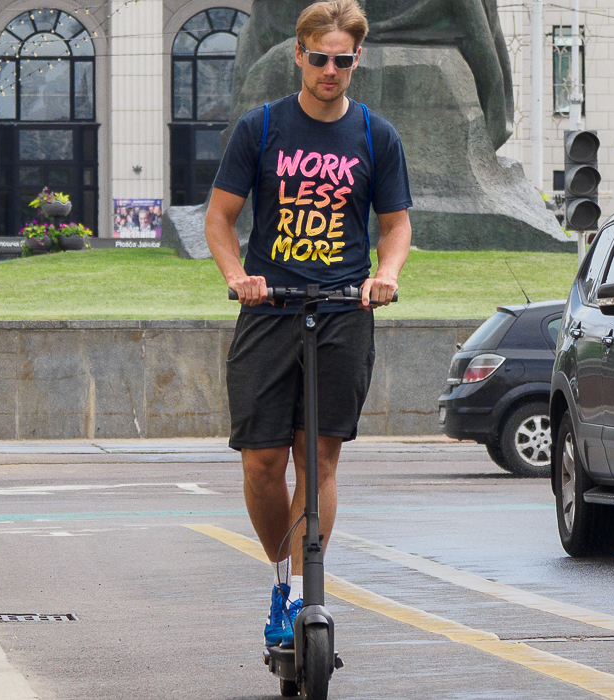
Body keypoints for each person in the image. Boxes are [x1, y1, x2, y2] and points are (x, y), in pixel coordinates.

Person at [204, 0, 412, 649]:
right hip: (271, 309)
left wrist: (389, 274)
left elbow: (396, 224)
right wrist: (237, 275)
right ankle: (278, 576)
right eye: (318, 58)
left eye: (342, 60)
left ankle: (298, 598)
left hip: (345, 310)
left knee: (317, 459)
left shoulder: (377, 136)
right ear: (298, 55)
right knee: (263, 463)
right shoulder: (261, 128)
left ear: (357, 60)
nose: (329, 70)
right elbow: (220, 219)